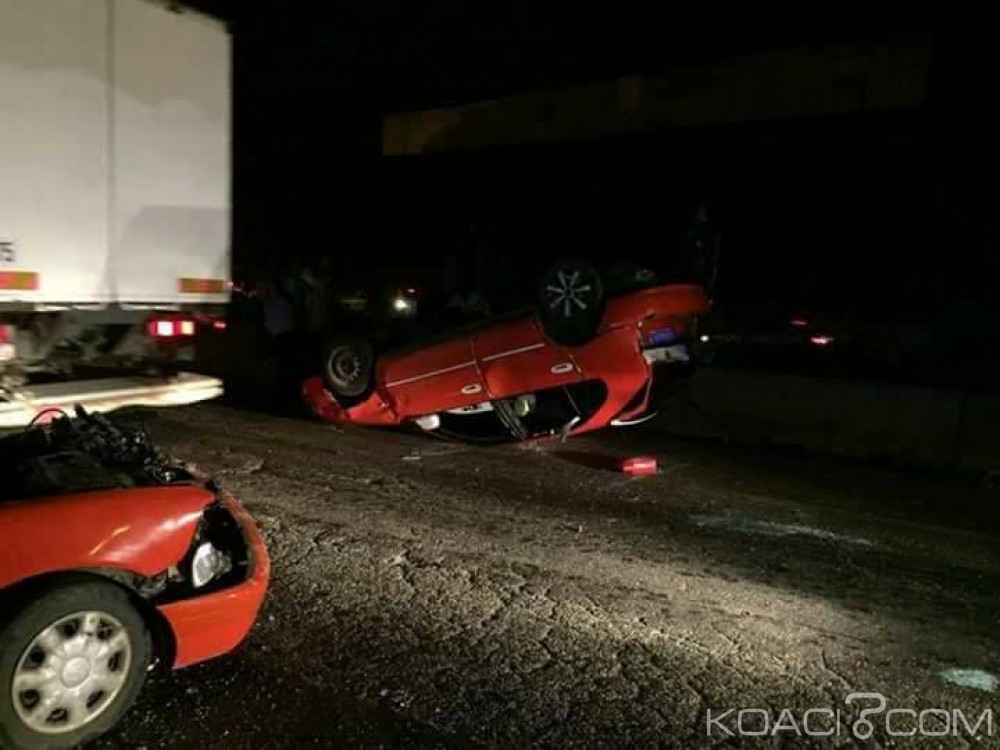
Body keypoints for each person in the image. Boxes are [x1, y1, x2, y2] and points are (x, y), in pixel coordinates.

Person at [685, 203, 721, 297]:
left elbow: (713, 245)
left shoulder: (708, 228)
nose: (701, 213)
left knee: (705, 287)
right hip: (699, 262)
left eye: (702, 211)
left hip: (707, 262)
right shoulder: (696, 228)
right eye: (700, 211)